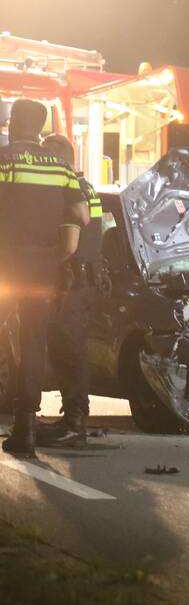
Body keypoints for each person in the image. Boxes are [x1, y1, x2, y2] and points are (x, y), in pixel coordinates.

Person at [0, 100, 88, 457]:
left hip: (6, 263)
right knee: (32, 342)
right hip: (43, 270)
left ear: (12, 123)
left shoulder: (5, 159)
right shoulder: (59, 166)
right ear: (39, 127)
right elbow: (82, 214)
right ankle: (26, 428)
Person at [36, 134, 102, 447]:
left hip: (72, 281)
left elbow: (68, 242)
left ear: (60, 158)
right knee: (67, 348)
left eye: (47, 156)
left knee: (68, 348)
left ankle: (75, 422)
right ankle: (72, 418)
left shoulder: (69, 191)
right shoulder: (85, 188)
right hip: (83, 279)